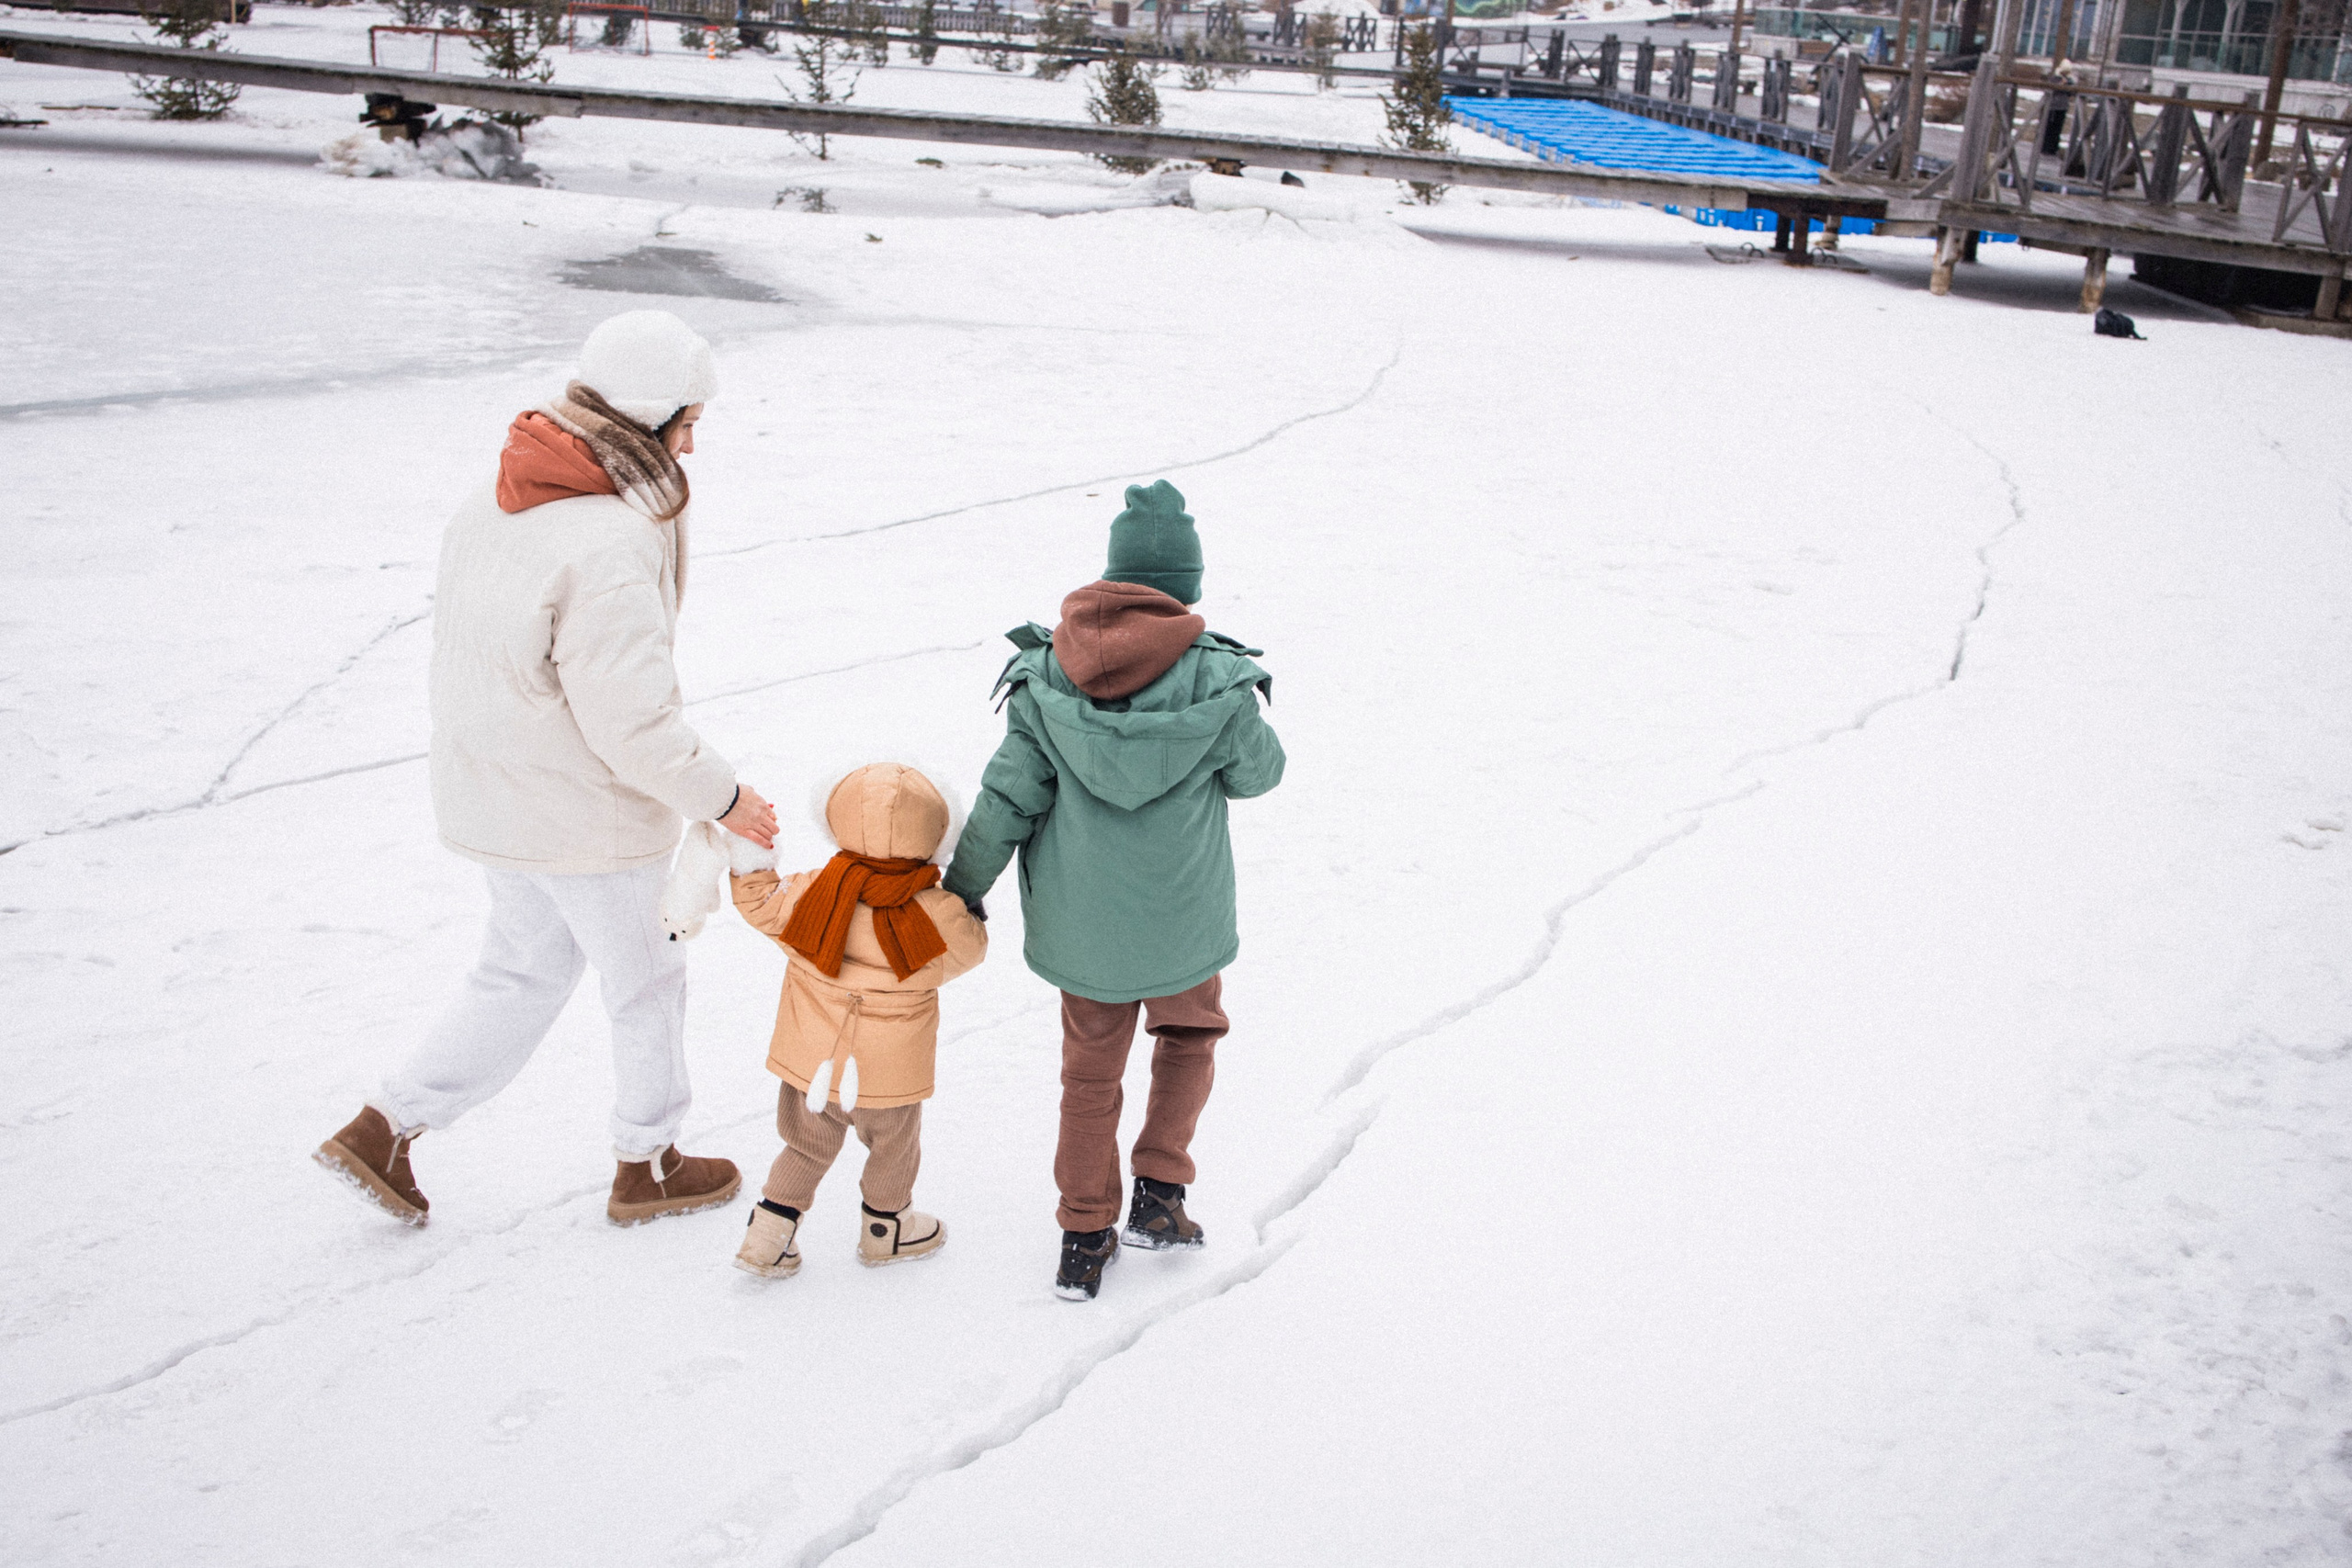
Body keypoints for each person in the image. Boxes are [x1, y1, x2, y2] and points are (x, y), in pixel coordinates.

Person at [314, 310, 775, 1229]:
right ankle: (648, 1165)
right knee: (646, 983)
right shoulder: (611, 540)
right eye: (686, 422)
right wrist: (725, 797)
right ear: (646, 416)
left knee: (519, 972)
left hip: (500, 796)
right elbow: (630, 720)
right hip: (584, 816)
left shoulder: (498, 498)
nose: (692, 444)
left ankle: (385, 1126)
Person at [943, 479, 1285, 1302]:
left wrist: (962, 889)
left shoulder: (1047, 676)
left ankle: (1084, 1235)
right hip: (1183, 921)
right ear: (1185, 587)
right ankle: (1160, 1196)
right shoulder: (1218, 680)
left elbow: (1006, 799)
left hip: (1083, 930)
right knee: (1189, 1035)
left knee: (1089, 1077)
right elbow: (1260, 776)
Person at [718, 763, 989, 1278]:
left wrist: (751, 858)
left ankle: (767, 1236)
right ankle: (887, 1232)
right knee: (893, 1150)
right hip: (891, 1075)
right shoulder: (938, 914)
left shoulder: (812, 893)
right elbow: (971, 949)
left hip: (812, 1065)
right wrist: (963, 904)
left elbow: (760, 903)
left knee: (804, 1146)